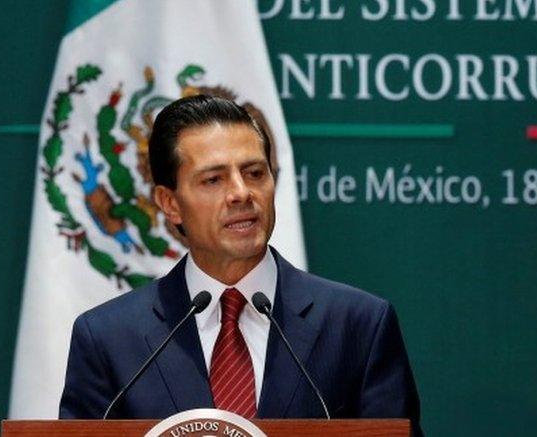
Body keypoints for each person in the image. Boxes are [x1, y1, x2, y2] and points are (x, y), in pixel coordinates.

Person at [59, 95, 421, 434]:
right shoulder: (109, 339)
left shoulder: (358, 326)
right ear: (169, 203)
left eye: (255, 173)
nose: (241, 193)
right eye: (214, 179)